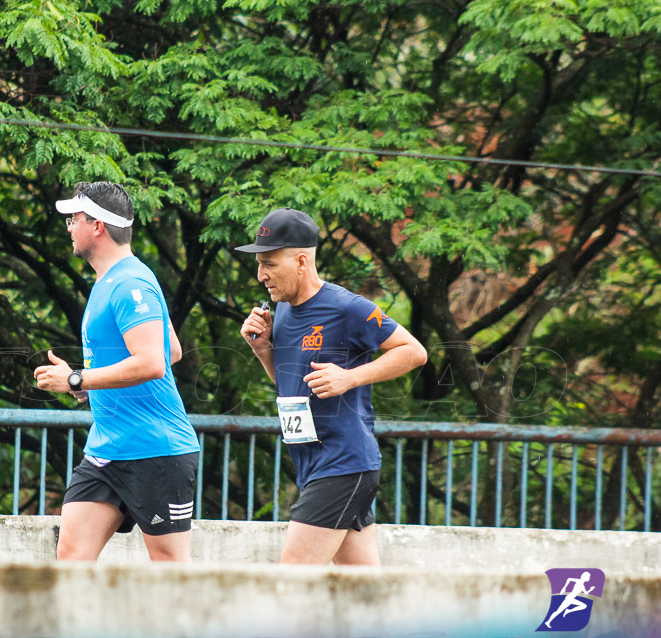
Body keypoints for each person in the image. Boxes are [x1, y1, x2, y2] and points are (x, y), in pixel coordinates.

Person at [236, 208, 427, 566]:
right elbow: (291, 386)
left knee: (292, 578)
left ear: (302, 262)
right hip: (313, 463)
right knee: (361, 590)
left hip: (343, 463)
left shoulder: (347, 307)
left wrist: (350, 377)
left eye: (270, 264)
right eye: (259, 264)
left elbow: (414, 352)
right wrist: (263, 351)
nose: (261, 275)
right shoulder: (284, 310)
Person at [34, 181, 200, 562]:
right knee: (71, 559)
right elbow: (171, 350)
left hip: (155, 449)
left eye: (73, 219)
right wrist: (94, 388)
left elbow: (155, 361)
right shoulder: (110, 281)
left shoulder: (130, 283)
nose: (68, 227)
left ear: (97, 226)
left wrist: (78, 379)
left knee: (171, 571)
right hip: (106, 451)